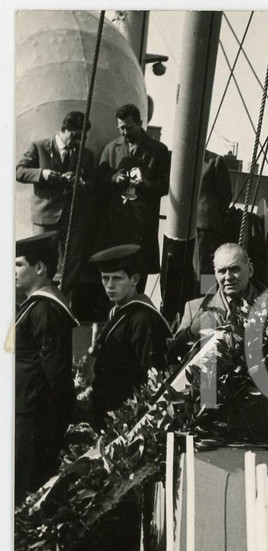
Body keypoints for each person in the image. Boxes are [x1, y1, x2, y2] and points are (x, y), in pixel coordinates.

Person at [171, 243, 268, 437]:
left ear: (250, 269)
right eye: (221, 271)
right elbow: (178, 369)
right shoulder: (195, 310)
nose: (228, 277)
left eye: (235, 269)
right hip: (206, 425)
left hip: (255, 422)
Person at [16, 110, 101, 317]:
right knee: (41, 262)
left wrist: (80, 183)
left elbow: (92, 186)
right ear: (63, 130)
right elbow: (19, 171)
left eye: (82, 138)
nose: (78, 141)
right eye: (75, 135)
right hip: (46, 216)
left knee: (72, 263)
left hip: (73, 218)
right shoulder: (39, 146)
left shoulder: (86, 154)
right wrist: (43, 174)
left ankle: (63, 305)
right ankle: (36, 305)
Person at [14, 234, 78, 502]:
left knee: (25, 495)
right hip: (23, 413)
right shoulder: (32, 307)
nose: (12, 272)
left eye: (18, 265)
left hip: (33, 420)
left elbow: (56, 375)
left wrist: (52, 426)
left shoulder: (46, 309)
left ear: (39, 268)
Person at [89, 244, 170, 427]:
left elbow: (151, 378)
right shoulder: (117, 311)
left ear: (134, 279)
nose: (109, 285)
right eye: (105, 278)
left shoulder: (143, 319)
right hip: (109, 413)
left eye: (117, 278)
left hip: (126, 419)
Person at [96, 103, 170, 296]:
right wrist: (114, 178)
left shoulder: (159, 150)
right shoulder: (111, 148)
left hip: (142, 224)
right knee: (116, 269)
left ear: (140, 123)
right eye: (121, 128)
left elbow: (165, 186)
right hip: (116, 224)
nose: (125, 132)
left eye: (129, 127)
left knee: (139, 269)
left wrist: (145, 184)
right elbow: (99, 180)